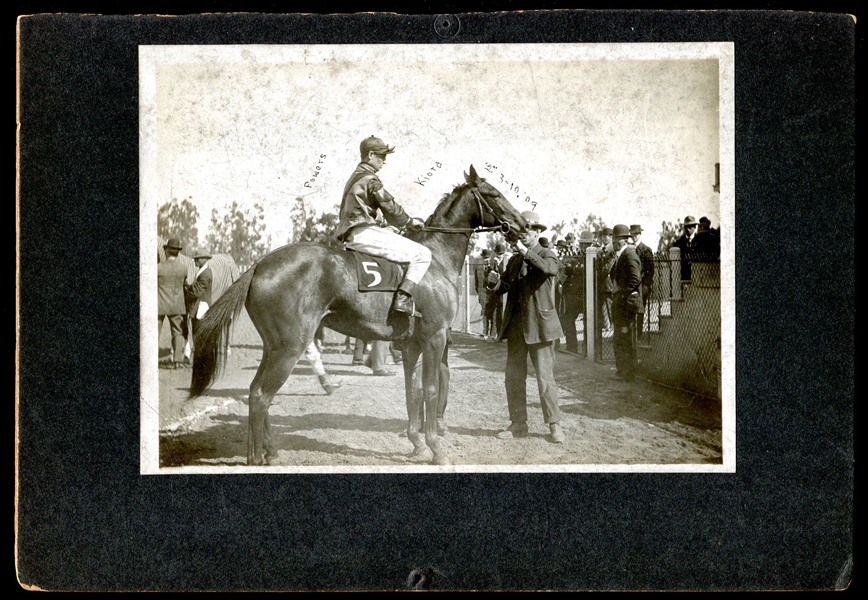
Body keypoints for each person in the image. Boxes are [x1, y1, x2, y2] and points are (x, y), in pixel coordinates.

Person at [487, 211, 565, 444]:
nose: (522, 234)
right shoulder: (513, 260)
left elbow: (547, 270)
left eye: (527, 230)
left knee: (544, 378)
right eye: (519, 230)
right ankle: (518, 423)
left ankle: (554, 425)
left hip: (540, 328)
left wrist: (524, 251)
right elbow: (506, 287)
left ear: (538, 232)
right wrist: (496, 283)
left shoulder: (547, 254)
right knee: (513, 377)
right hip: (516, 329)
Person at [336, 135, 430, 316]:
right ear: (370, 155)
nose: (384, 161)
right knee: (422, 254)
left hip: (355, 231)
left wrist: (389, 226)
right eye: (382, 156)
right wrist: (409, 222)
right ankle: (403, 298)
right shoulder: (370, 179)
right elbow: (389, 206)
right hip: (363, 233)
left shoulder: (356, 176)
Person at [609, 224, 643, 382]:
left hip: (626, 304)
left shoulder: (629, 254)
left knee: (625, 337)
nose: (613, 242)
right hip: (622, 303)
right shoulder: (621, 255)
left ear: (622, 241)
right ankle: (622, 371)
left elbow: (635, 279)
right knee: (620, 338)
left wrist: (620, 292)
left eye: (615, 239)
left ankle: (628, 373)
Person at [158, 238, 190, 369]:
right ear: (177, 252)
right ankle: (177, 360)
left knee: (155, 333)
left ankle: (150, 359)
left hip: (159, 305)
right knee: (178, 333)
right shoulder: (183, 268)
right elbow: (185, 285)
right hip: (177, 305)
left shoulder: (158, 268)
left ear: (166, 250)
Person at [557, 236, 584, 354]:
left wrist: (572, 269)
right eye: (582, 244)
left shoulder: (588, 256)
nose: (584, 246)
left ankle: (588, 349)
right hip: (572, 294)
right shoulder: (574, 254)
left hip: (584, 294)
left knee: (589, 322)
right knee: (568, 319)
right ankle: (572, 347)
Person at [630, 224, 655, 335]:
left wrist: (646, 286)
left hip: (641, 285)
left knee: (640, 310)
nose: (634, 236)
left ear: (640, 234)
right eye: (632, 234)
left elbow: (650, 271)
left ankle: (638, 334)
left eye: (636, 234)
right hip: (630, 285)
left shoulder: (645, 250)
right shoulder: (629, 249)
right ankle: (630, 335)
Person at [484, 241, 510, 341]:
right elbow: (488, 277)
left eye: (500, 254)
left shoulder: (507, 262)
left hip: (504, 292)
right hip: (495, 293)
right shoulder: (493, 263)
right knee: (495, 314)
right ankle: (497, 334)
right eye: (497, 254)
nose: (498, 256)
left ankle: (504, 334)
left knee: (503, 313)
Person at [185, 249, 214, 339]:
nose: (195, 261)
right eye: (195, 259)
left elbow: (196, 292)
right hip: (198, 308)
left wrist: (186, 292)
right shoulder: (202, 271)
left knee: (199, 335)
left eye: (198, 259)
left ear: (205, 259)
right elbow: (196, 287)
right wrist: (187, 285)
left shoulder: (205, 273)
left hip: (201, 308)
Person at [672, 215, 699, 280]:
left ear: (695, 227)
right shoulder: (678, 243)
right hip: (683, 277)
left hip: (698, 276)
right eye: (686, 226)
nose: (687, 229)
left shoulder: (700, 242)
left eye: (690, 226)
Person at [474, 249, 492, 338]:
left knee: (494, 313)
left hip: (493, 294)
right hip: (483, 293)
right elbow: (476, 283)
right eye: (485, 258)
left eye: (488, 258)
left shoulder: (493, 267)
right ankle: (485, 331)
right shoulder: (478, 268)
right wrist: (479, 293)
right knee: (485, 312)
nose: (486, 260)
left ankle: (493, 333)